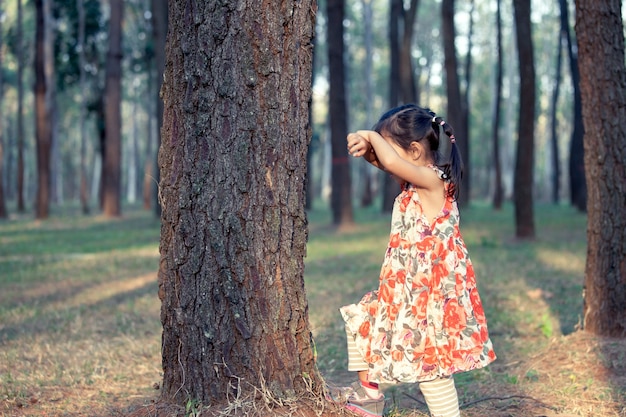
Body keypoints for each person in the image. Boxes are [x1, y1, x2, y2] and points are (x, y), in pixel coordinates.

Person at [338, 104, 496, 417]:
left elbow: (391, 160)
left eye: (387, 144)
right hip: (406, 290)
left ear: (413, 150)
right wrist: (367, 146)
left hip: (431, 297)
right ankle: (368, 395)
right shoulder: (413, 181)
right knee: (362, 320)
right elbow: (385, 162)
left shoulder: (434, 181)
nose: (385, 156)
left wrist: (370, 134)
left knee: (432, 369)